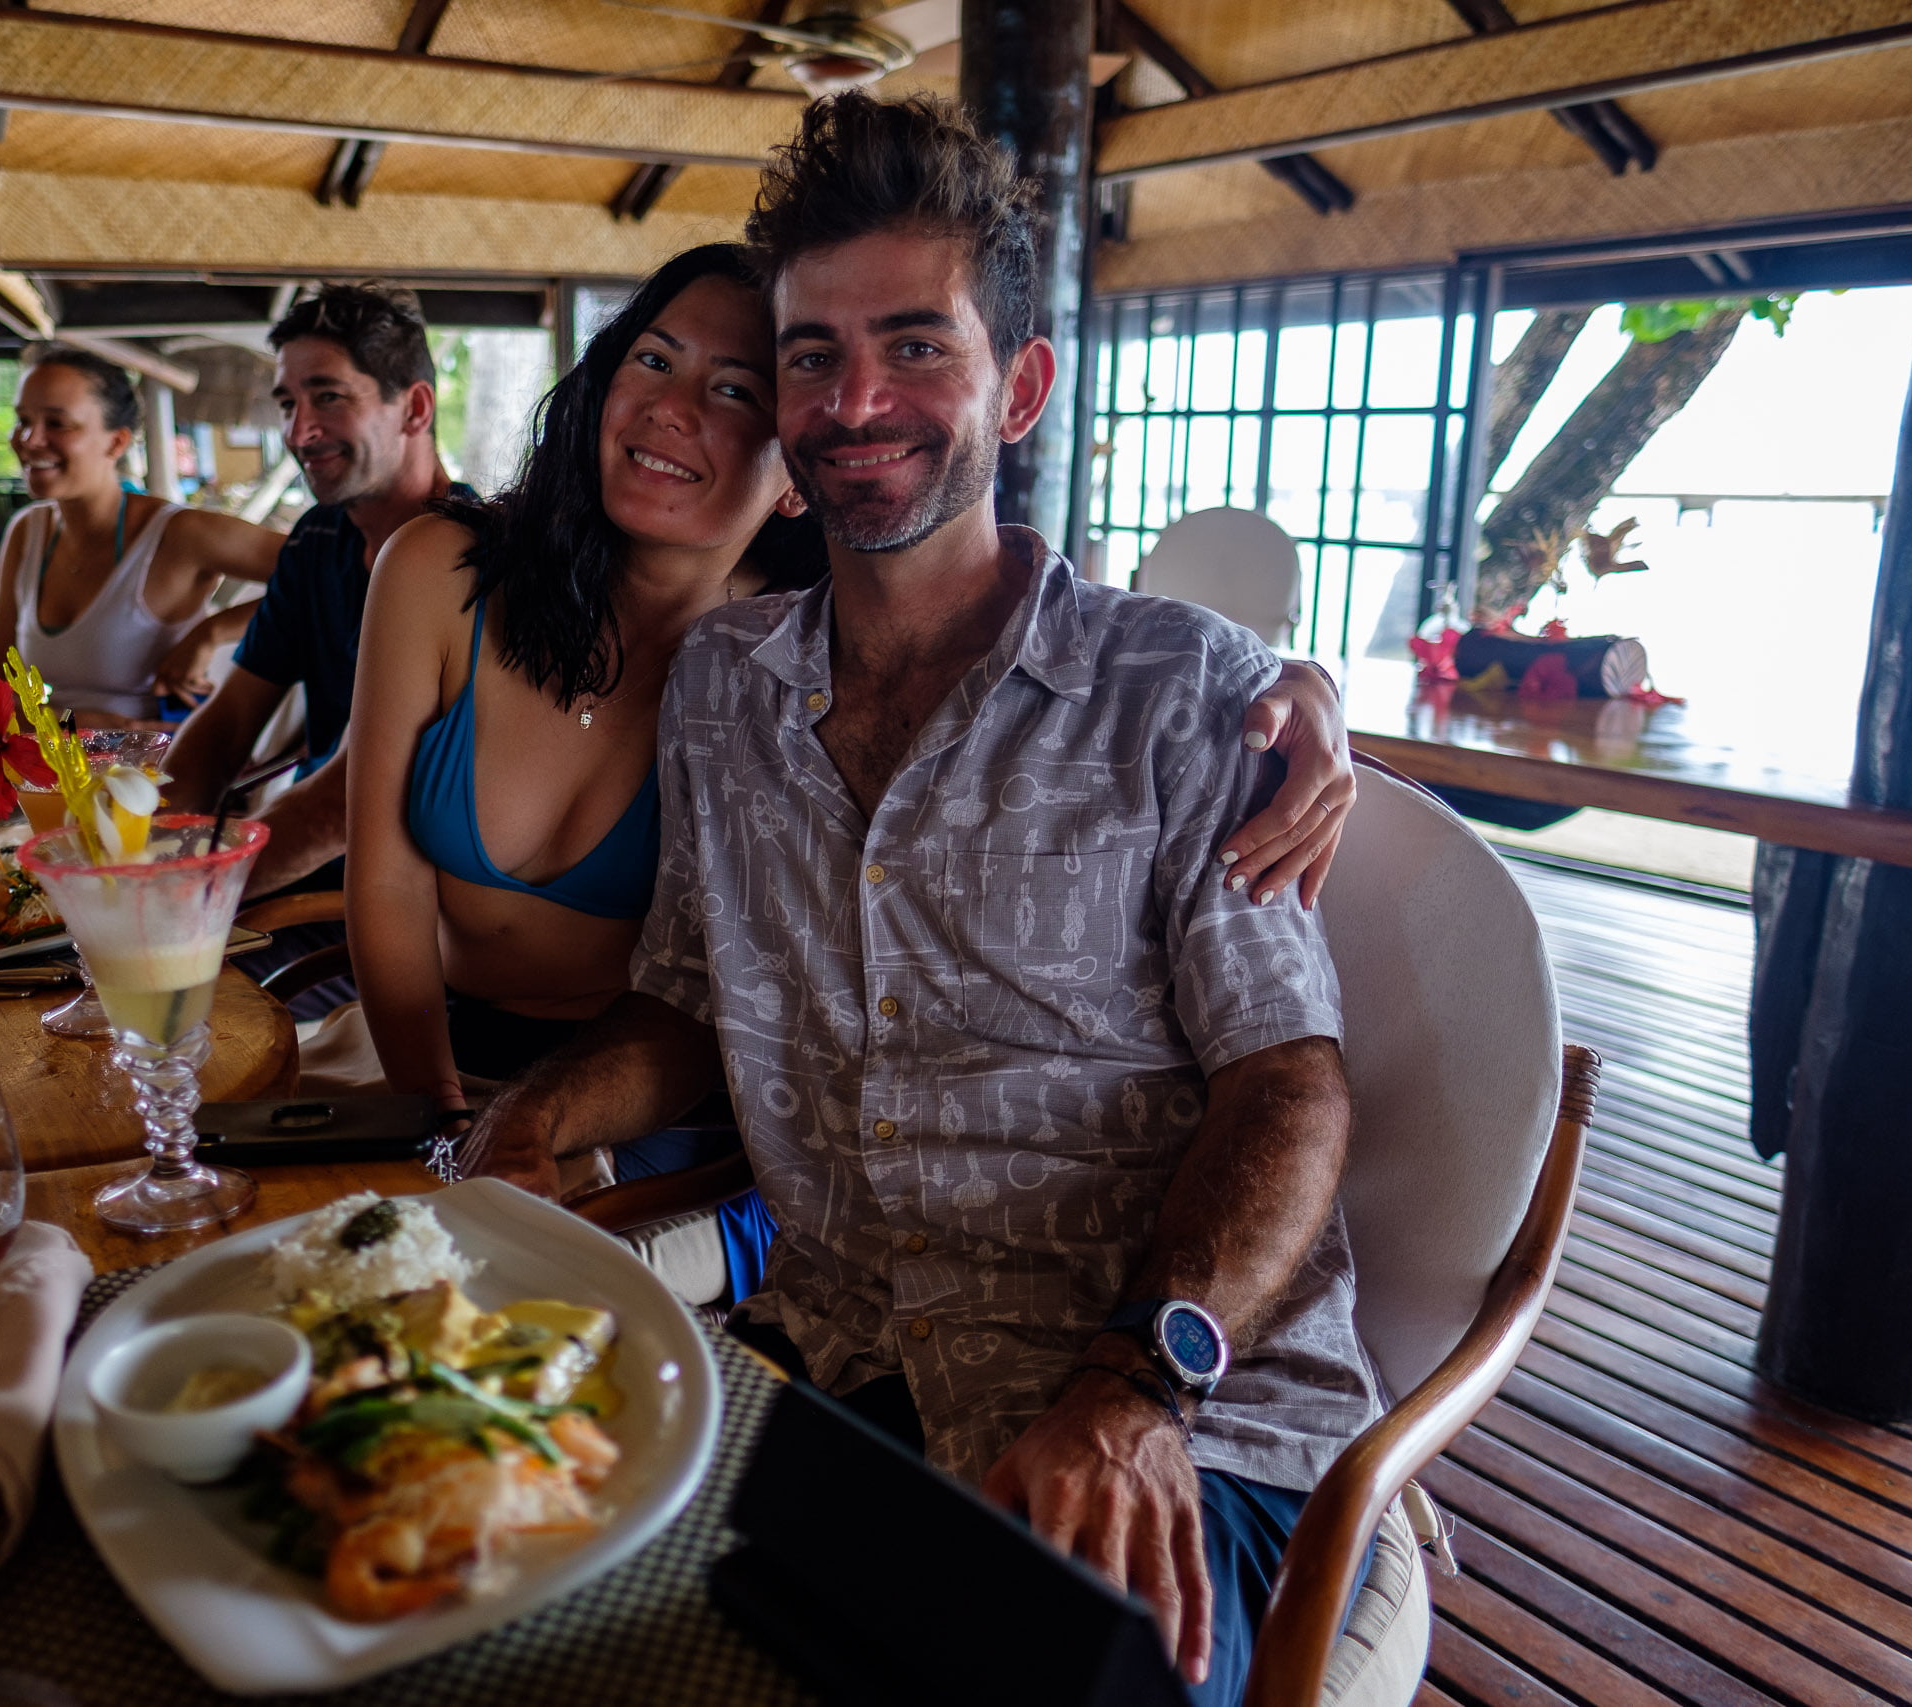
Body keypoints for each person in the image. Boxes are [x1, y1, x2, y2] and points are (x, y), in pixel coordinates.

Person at [455, 94, 1378, 1707]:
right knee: (503, 1613)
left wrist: (1139, 1381)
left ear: (1019, 386)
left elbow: (1288, 1085)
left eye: (914, 346)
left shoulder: (1185, 691)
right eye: (813, 355)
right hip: (846, 1366)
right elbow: (690, 1003)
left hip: (1169, 1415)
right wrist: (535, 1121)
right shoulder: (728, 684)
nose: (856, 400)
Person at [347, 245, 811, 1299]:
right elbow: (385, 884)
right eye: (654, 360)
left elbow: (726, 1001)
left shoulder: (788, 668)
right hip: (428, 1067)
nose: (670, 407)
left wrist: (528, 1130)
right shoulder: (437, 572)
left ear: (795, 475)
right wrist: (440, 1123)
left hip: (660, 1124)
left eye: (734, 390)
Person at [161, 285, 471, 901]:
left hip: (411, 909)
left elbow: (346, 802)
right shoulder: (318, 540)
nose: (298, 432)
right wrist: (136, 848)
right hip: (305, 880)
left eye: (328, 397)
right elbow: (227, 725)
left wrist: (183, 894)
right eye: (287, 403)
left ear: (414, 409)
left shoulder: (465, 556)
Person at [0, 344, 282, 725]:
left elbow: (328, 572)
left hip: (152, 762)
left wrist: (212, 632)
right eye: (23, 420)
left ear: (116, 442)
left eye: (56, 423)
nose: (29, 439)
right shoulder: (28, 531)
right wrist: (77, 726)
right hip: (45, 761)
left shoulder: (178, 534)